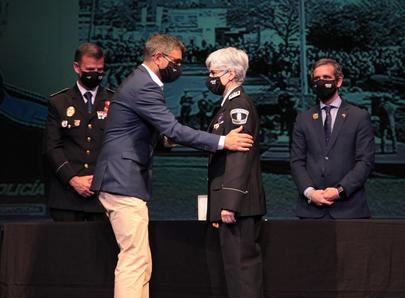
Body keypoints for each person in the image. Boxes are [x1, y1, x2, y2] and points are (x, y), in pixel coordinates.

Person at [90, 34, 254, 298]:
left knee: (140, 260)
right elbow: (174, 129)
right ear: (158, 57)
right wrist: (224, 141)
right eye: (175, 62)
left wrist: (163, 141)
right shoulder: (144, 85)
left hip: (124, 179)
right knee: (134, 261)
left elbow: (148, 131)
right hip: (122, 179)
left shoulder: (143, 82)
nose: (179, 67)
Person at [205, 47, 266, 298]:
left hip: (239, 204)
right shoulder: (228, 105)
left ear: (230, 74)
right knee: (235, 269)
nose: (209, 78)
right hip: (236, 203)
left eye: (213, 72)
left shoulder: (237, 106)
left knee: (242, 269)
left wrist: (230, 202)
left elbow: (239, 154)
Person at [290, 58, 375, 219]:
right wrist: (310, 192)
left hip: (350, 210)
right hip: (311, 211)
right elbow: (297, 161)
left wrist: (339, 191)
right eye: (317, 79)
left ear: (339, 81)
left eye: (327, 78)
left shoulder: (359, 116)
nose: (321, 82)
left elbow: (365, 161)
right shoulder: (303, 119)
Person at [45, 43, 113, 221]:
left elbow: (118, 147)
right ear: (77, 67)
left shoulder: (115, 101)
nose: (95, 74)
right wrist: (73, 179)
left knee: (100, 249)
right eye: (90, 69)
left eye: (100, 70)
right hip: (66, 196)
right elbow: (52, 147)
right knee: (66, 248)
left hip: (103, 194)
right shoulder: (59, 102)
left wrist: (98, 179)